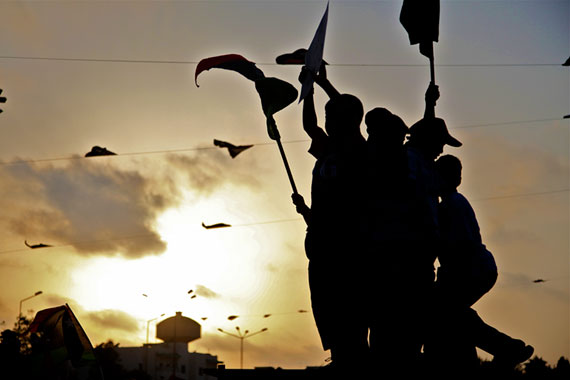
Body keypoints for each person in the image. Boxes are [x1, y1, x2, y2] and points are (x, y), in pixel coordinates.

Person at [424, 154, 534, 375]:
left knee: (450, 312)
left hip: (471, 269)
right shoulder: (454, 202)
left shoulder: (450, 206)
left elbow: (459, 245)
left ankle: (505, 347)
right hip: (476, 268)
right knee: (452, 318)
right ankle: (498, 350)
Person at [291, 64, 370, 371]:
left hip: (348, 248)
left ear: (348, 122)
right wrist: (308, 89)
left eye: (332, 118)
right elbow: (309, 126)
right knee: (325, 308)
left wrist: (324, 82)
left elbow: (350, 110)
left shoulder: (358, 150)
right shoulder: (328, 149)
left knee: (349, 308)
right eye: (327, 118)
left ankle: (354, 361)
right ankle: (340, 356)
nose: (326, 124)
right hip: (321, 246)